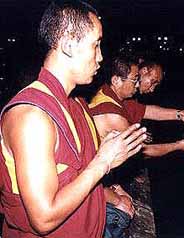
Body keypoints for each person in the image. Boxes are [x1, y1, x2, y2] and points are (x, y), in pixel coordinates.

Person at [0, 1, 146, 237]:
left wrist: (112, 195)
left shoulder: (76, 103)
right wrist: (104, 161)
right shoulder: (32, 117)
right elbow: (43, 218)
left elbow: (78, 178)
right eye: (95, 45)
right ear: (68, 44)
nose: (100, 57)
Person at [89, 57, 184, 238]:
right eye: (135, 79)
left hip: (103, 178)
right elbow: (144, 151)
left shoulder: (112, 94)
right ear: (117, 80)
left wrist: (180, 114)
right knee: (125, 214)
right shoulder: (112, 114)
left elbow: (147, 110)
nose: (137, 84)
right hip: (95, 182)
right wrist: (178, 145)